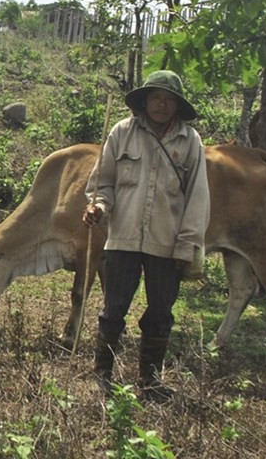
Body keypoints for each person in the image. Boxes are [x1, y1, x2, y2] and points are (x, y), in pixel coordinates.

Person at [83, 70, 210, 401]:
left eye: (168, 99)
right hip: (123, 238)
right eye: (156, 97)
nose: (161, 104)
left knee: (160, 316)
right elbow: (104, 182)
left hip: (167, 244)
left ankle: (150, 383)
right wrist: (98, 206)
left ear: (178, 105)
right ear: (145, 100)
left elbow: (198, 198)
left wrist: (188, 245)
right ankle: (102, 375)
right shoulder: (122, 132)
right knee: (113, 309)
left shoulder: (190, 140)